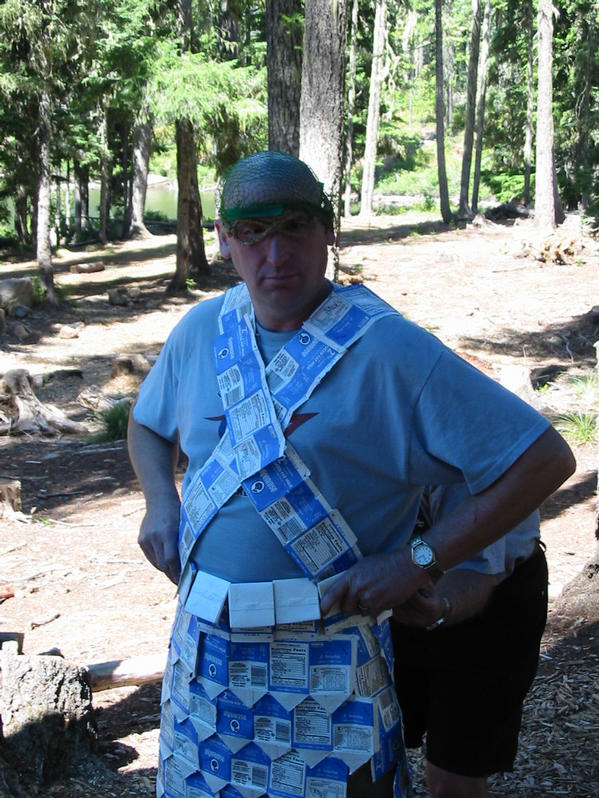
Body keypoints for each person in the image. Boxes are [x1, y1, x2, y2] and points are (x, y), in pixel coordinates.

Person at [127, 150, 575, 798]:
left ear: (328, 230)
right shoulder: (202, 330)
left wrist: (418, 559)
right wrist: (159, 504)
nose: (276, 253)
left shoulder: (388, 350)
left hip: (329, 663)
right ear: (223, 239)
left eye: (295, 227)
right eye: (253, 231)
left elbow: (543, 459)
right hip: (202, 661)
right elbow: (147, 423)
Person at [392, 485, 548, 798]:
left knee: (454, 782)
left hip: (491, 602)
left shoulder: (463, 460)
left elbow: (474, 567)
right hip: (399, 591)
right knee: (369, 758)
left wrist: (438, 605)